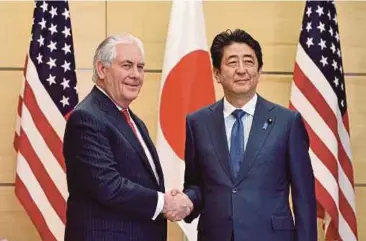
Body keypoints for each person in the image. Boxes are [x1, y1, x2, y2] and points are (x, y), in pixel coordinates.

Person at [182, 29, 317, 241]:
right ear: (217, 73)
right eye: (232, 62)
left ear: (259, 70)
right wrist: (186, 200)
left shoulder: (287, 122)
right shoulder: (197, 123)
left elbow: (304, 198)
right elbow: (195, 184)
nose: (242, 70)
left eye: (249, 62)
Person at [63, 33, 192, 241]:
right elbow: (108, 185)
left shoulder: (133, 121)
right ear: (102, 69)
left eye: (140, 67)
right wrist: (164, 203)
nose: (136, 74)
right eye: (127, 65)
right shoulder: (87, 117)